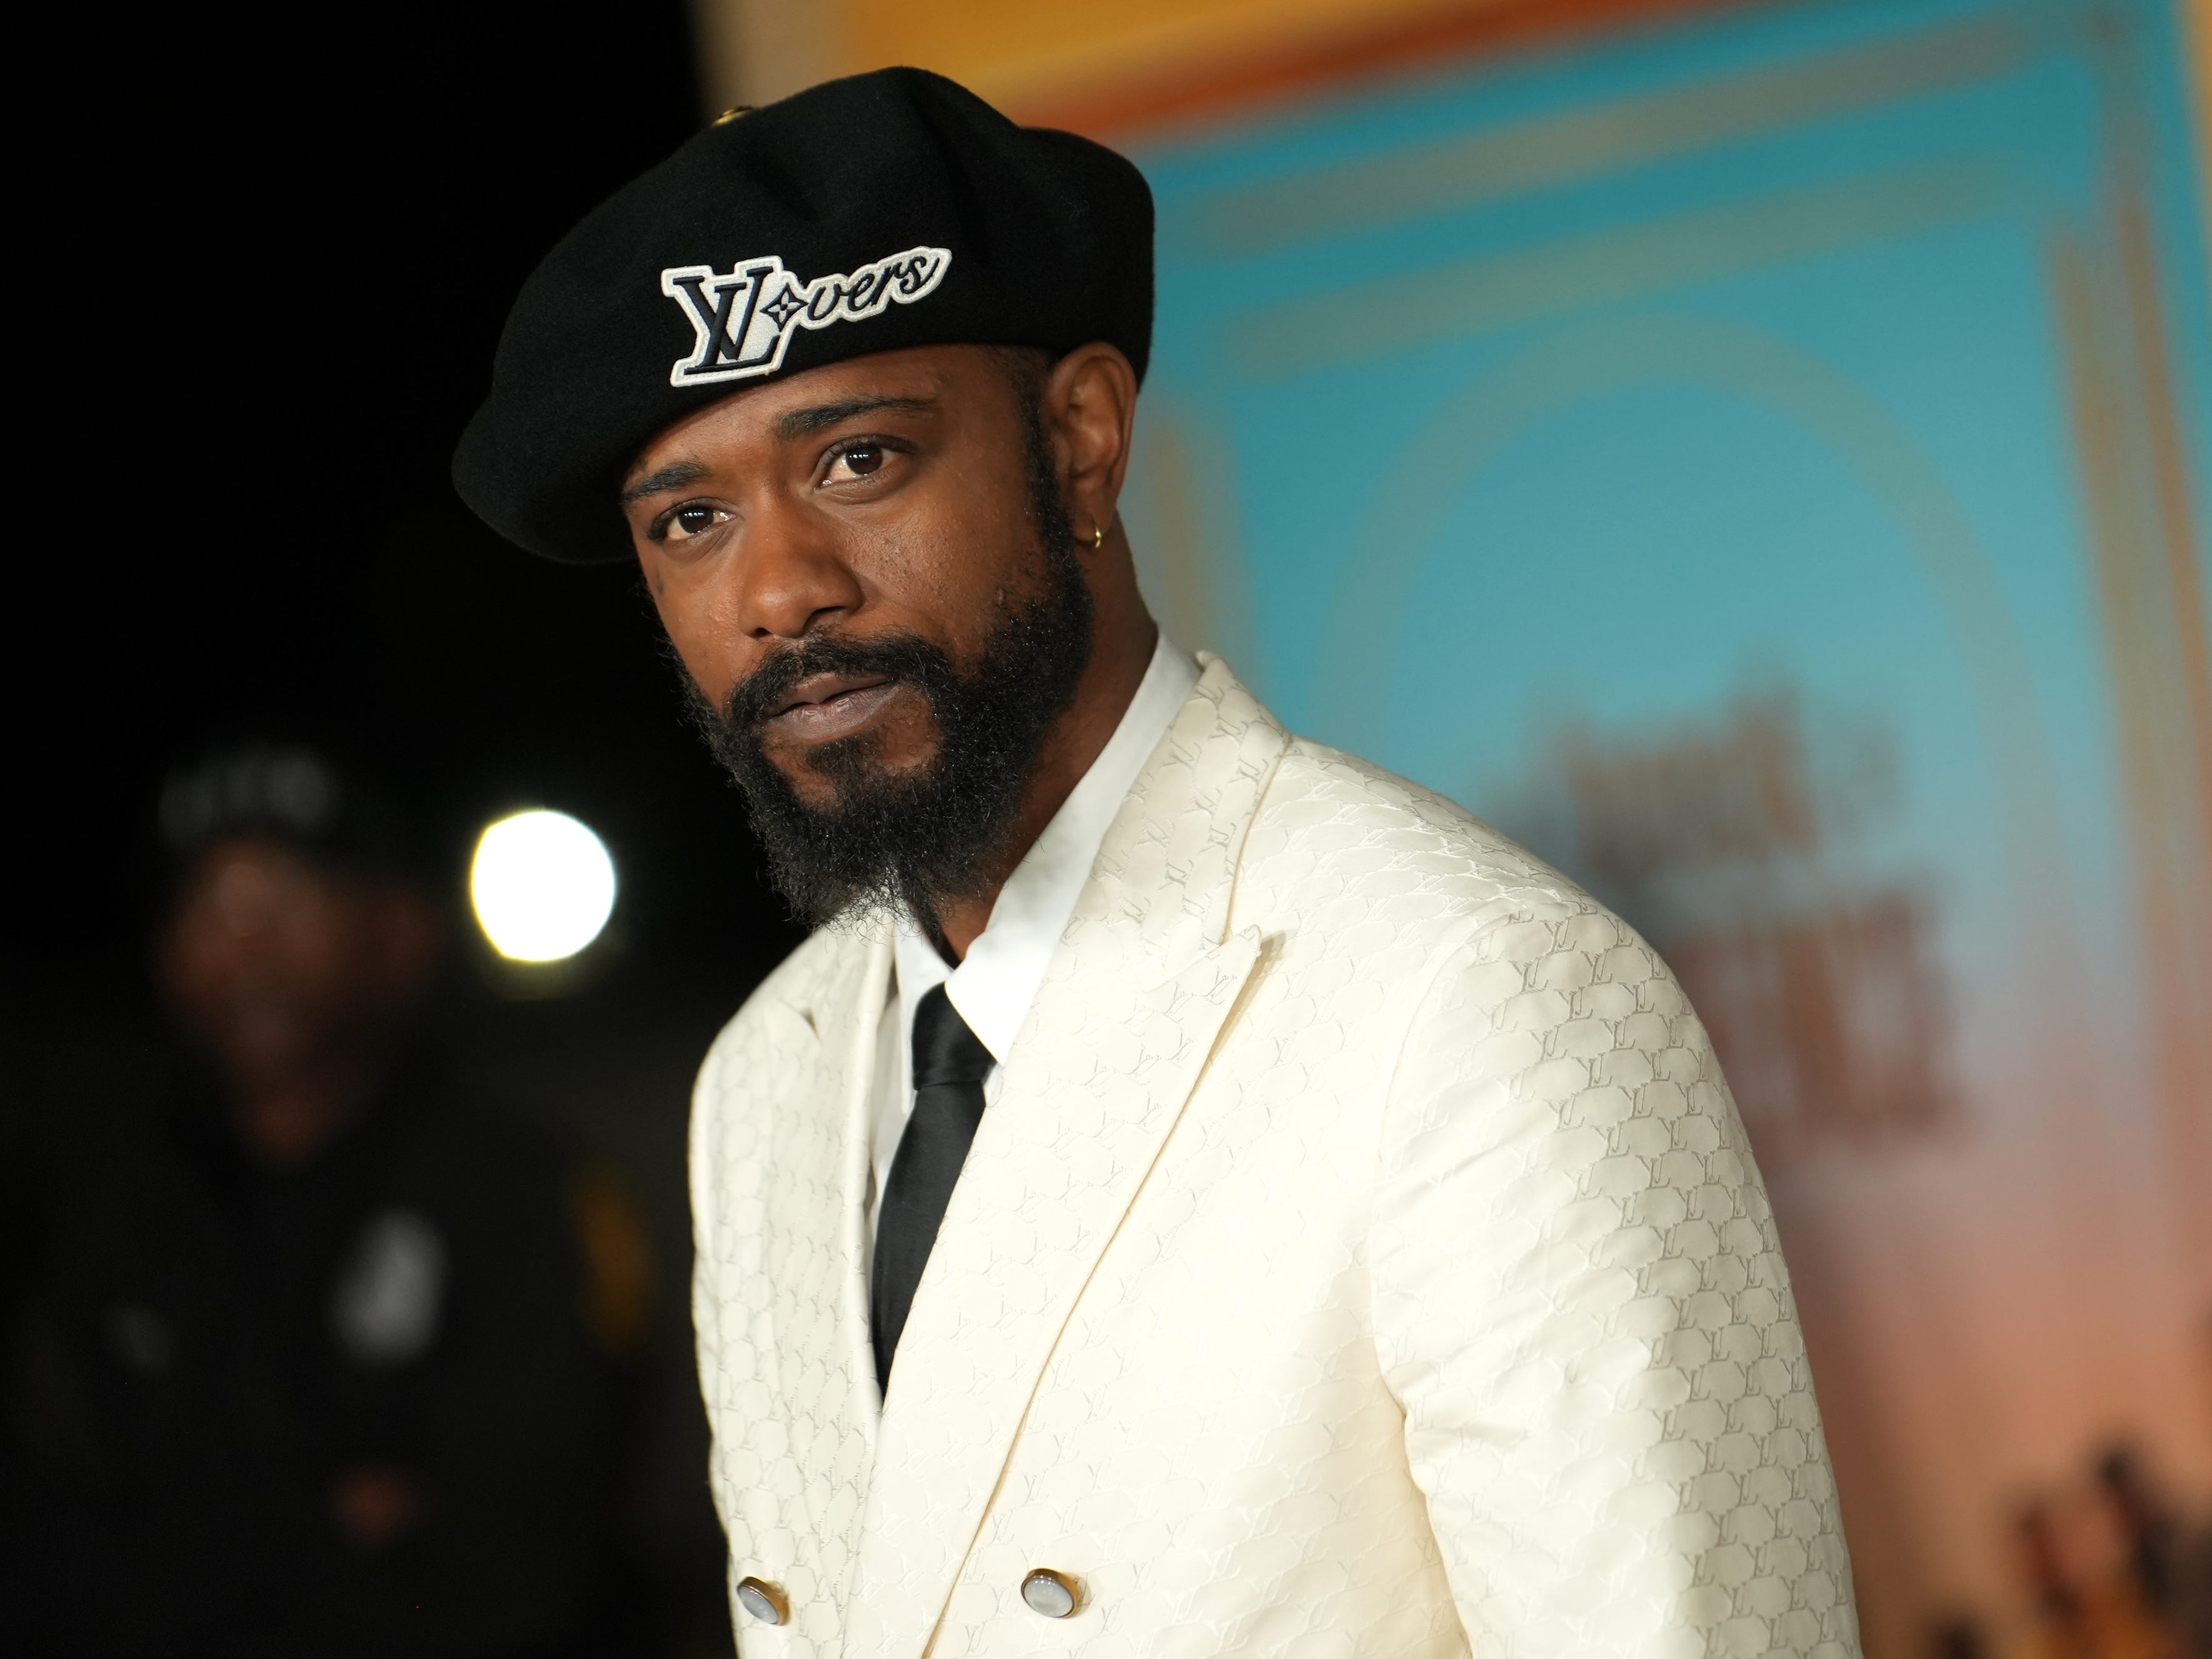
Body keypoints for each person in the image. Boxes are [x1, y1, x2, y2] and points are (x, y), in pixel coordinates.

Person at [453, 68, 1862, 1656]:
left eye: (857, 460)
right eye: (690, 521)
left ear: (1079, 442)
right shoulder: (764, 1079)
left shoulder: (1475, 995)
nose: (778, 589)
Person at [9, 745, 627, 1657]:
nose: (246, 948)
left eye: (290, 900)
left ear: (401, 931)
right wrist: (327, 1516)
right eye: (209, 907)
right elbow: (51, 1521)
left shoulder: (521, 1187)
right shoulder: (105, 1198)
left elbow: (529, 1546)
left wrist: (225, 1524)